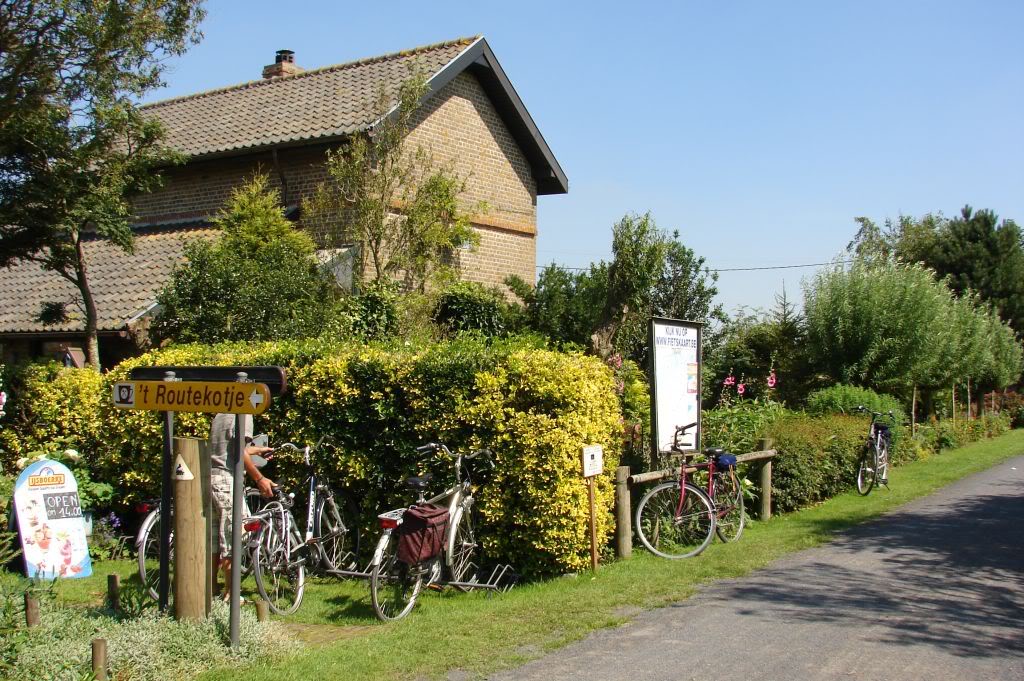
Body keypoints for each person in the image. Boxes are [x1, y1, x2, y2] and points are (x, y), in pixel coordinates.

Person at [208, 412, 275, 598]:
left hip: (211, 477)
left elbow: (230, 449)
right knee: (234, 536)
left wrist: (256, 451)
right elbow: (238, 452)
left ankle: (210, 589)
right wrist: (259, 478)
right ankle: (231, 594)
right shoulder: (243, 413)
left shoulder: (221, 414)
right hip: (227, 479)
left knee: (213, 539)